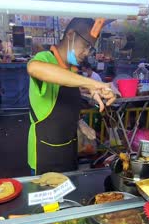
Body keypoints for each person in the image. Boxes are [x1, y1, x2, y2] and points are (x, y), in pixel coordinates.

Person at [26, 17, 116, 174]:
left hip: (69, 150)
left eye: (91, 49)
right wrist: (91, 83)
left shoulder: (72, 69)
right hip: (44, 154)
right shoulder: (45, 59)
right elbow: (34, 68)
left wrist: (80, 123)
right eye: (86, 45)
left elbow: (64, 106)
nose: (87, 53)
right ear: (70, 35)